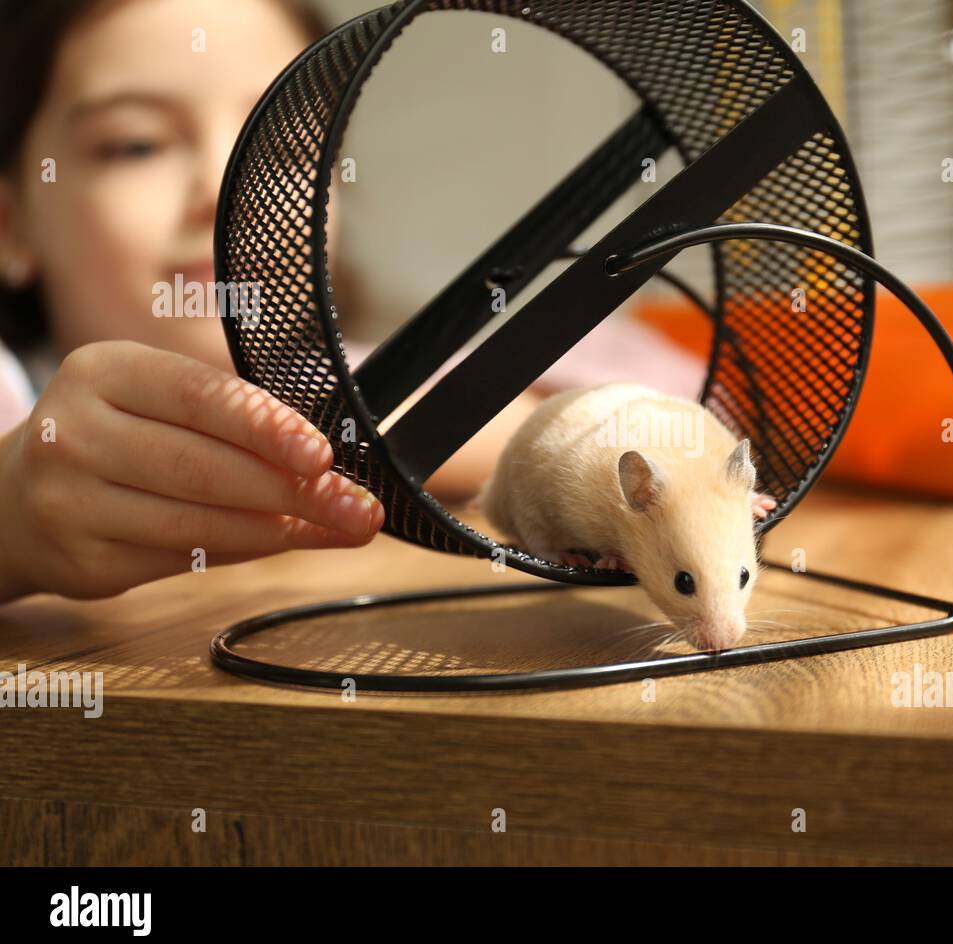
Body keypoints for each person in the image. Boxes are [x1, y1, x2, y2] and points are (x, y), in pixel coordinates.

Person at [0, 0, 705, 604]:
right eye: (136, 145)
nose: (226, 188)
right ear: (11, 225)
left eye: (276, 138)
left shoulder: (377, 373)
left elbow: (681, 410)